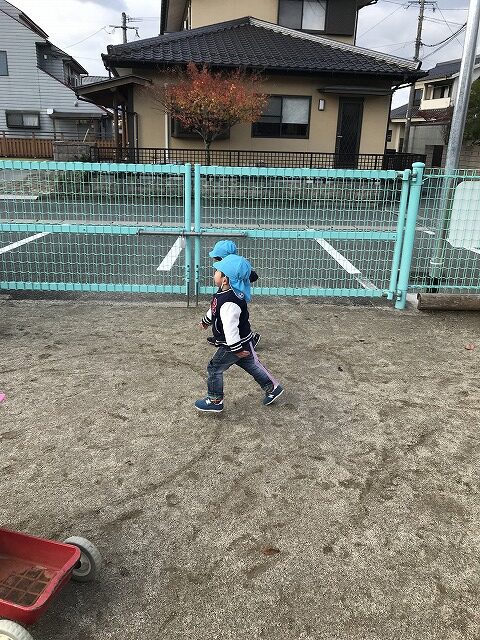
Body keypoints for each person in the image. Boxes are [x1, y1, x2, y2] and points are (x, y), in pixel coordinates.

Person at [195, 254, 283, 413]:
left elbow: (231, 328)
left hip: (233, 344)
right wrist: (206, 321)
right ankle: (272, 388)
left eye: (217, 271)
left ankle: (215, 400)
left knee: (214, 368)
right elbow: (214, 309)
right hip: (241, 342)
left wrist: (235, 349)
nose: (214, 273)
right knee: (250, 365)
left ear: (225, 280)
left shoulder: (230, 302)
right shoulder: (226, 293)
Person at [207, 240, 261, 348]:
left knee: (237, 320)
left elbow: (253, 275)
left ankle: (246, 342)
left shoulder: (236, 267)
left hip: (235, 296)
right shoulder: (229, 266)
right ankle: (221, 338)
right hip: (228, 291)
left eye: (218, 258)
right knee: (223, 314)